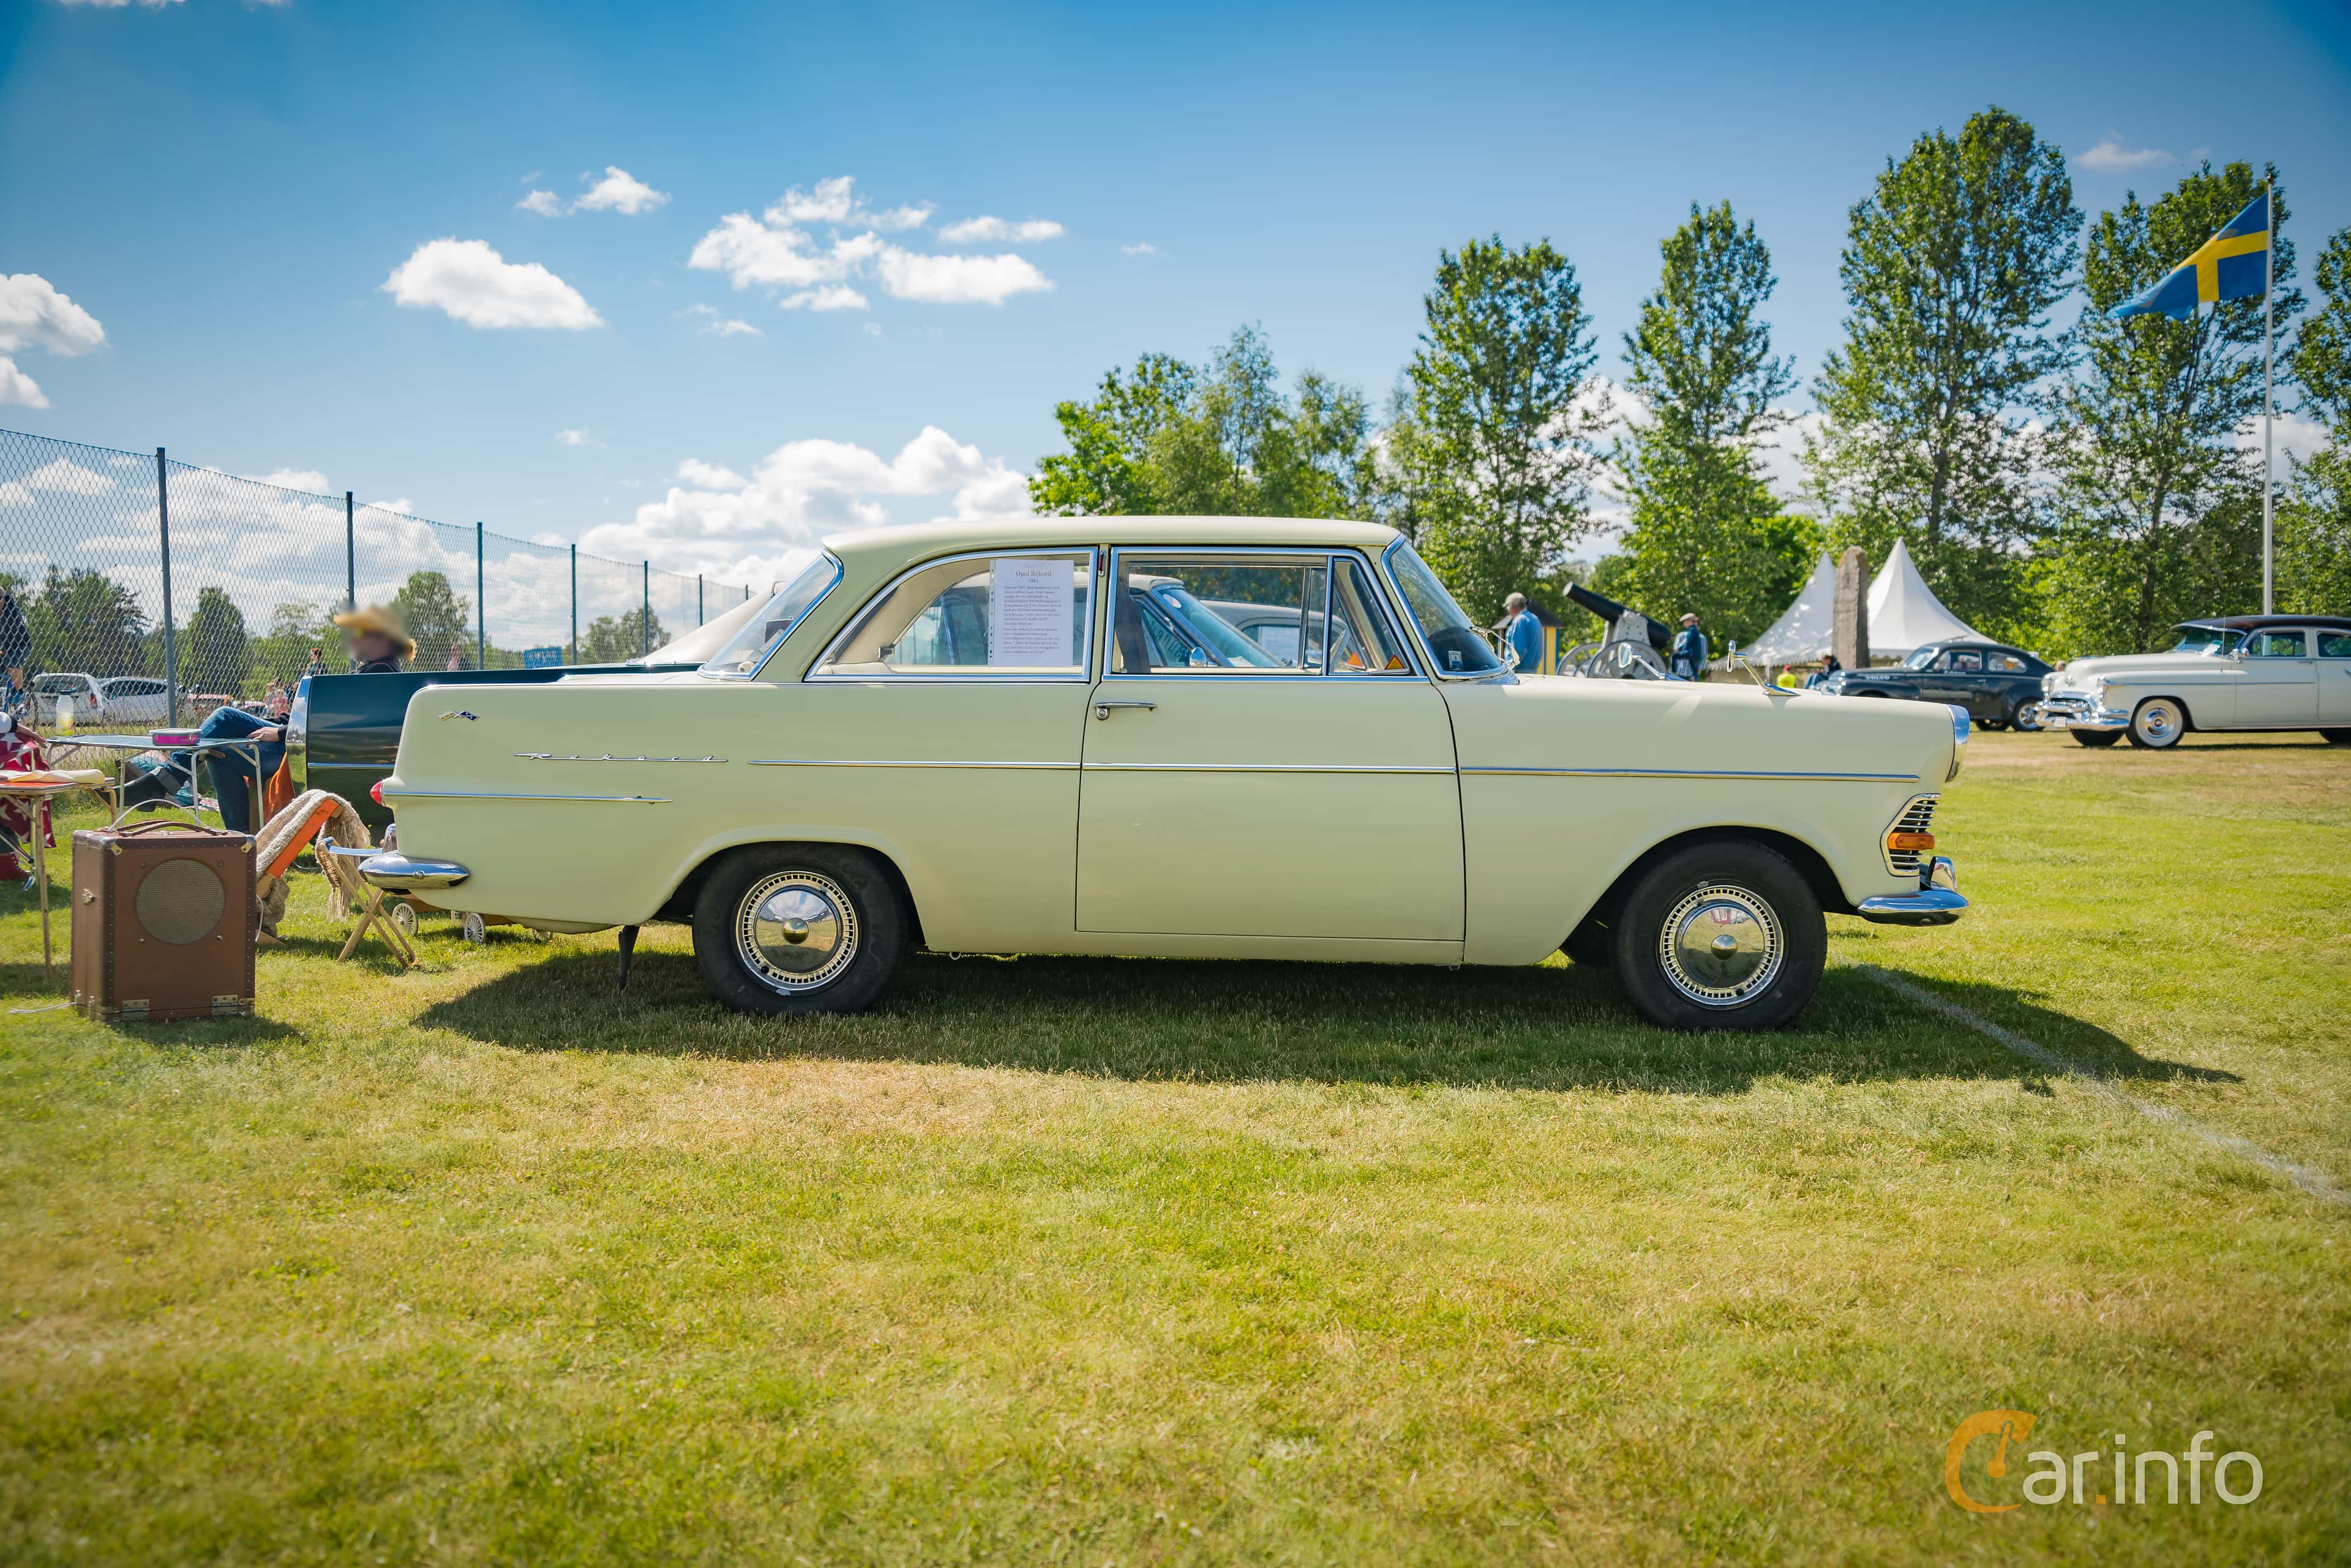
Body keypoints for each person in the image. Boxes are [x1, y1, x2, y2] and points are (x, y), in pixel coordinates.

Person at [333, 604, 414, 675]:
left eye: (359, 633)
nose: (353, 639)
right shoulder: (386, 666)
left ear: (383, 641)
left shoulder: (380, 669)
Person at [0, 585, 31, 711]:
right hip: (4, 648)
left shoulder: (12, 612)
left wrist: (3, 650)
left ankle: (20, 696)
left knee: (11, 660)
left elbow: (13, 634)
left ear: (3, 599)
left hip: (21, 645)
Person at [1501, 592, 1545, 675]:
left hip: (1520, 672)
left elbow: (1518, 650)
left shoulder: (1520, 621)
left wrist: (1510, 669)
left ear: (1511, 607)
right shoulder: (1534, 618)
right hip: (1532, 670)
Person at [1670, 612, 1709, 681]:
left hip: (1691, 676)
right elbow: (1676, 650)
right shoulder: (1680, 636)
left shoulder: (1702, 638)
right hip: (1678, 674)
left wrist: (1697, 674)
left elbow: (1704, 656)